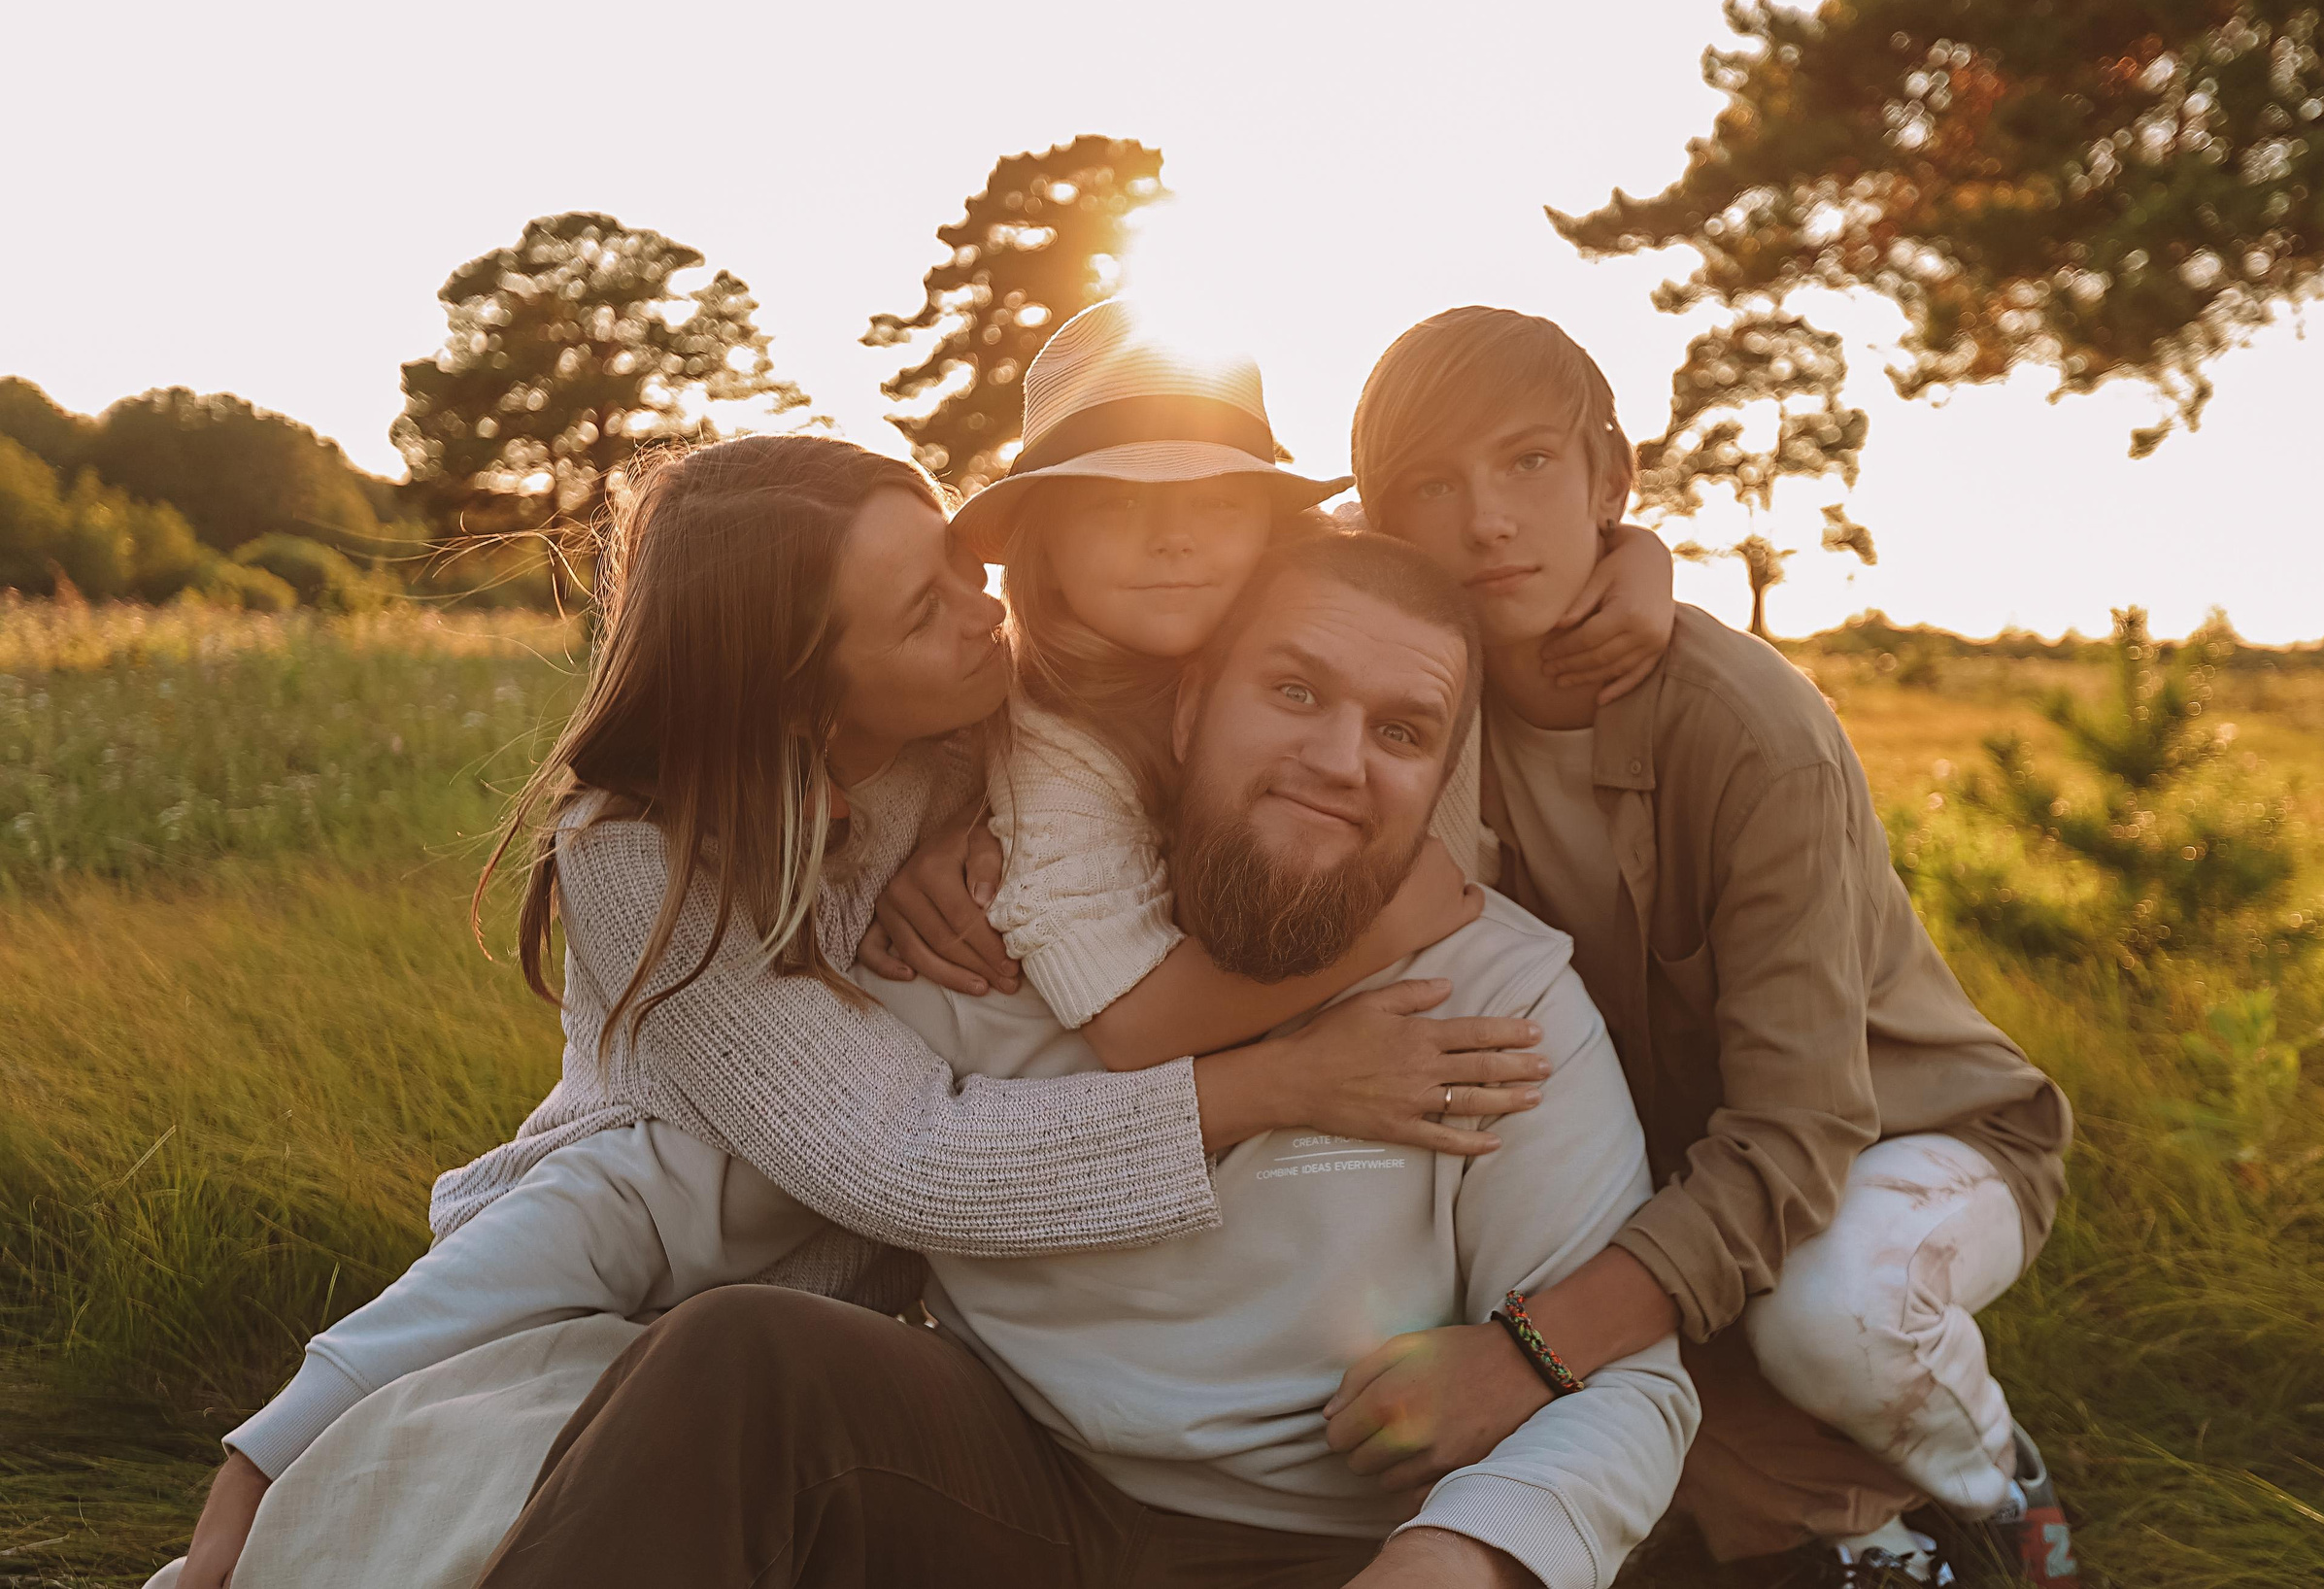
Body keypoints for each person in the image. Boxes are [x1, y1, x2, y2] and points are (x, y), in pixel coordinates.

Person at [165, 435, 1553, 1589]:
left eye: (958, 557)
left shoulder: (980, 734)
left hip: (825, 1313)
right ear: (804, 686)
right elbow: (902, 1157)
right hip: (623, 1233)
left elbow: (1314, 577)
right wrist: (1289, 1077)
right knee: (363, 1511)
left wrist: (1626, 560)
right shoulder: (635, 856)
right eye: (921, 609)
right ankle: (242, 1500)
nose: (983, 608)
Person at [469, 531, 1699, 1589]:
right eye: (1292, 692)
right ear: (1185, 708)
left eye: (1401, 730)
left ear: (1439, 778)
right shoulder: (987, 934)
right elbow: (765, 1177)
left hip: (1317, 1544)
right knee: (739, 1356)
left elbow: (1628, 1387)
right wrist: (378, 1364)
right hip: (1005, 1478)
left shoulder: (1499, 994)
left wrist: (1463, 1557)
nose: (1339, 758)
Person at [1330, 309, 2080, 1587]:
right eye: (1432, 487)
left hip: (1904, 1135)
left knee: (1829, 1313)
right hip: (1689, 1155)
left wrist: (1522, 1355)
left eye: (1527, 465)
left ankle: (2003, 1491)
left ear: (1612, 478)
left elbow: (1795, 1140)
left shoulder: (1751, 733)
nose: (1488, 521)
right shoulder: (1424, 700)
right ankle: (1842, 1526)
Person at [857, 297, 1678, 1060]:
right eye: (1115, 504)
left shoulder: (1337, 588)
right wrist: (1392, 928)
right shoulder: (1053, 734)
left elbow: (1465, 554)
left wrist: (1641, 555)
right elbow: (1131, 1019)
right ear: (1044, 539)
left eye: (1217, 503)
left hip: (1519, 986)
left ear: (1269, 521)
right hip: (1342, 979)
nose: (1173, 541)